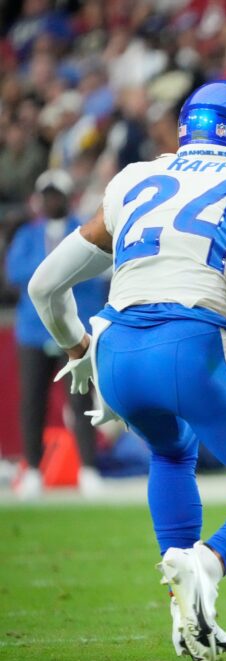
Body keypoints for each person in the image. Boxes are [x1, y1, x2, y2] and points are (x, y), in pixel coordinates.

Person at [26, 80, 226, 661]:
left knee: (171, 454)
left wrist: (76, 350)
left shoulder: (134, 178)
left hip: (115, 351)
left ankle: (184, 601)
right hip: (190, 345)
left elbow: (45, 284)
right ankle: (207, 564)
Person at [6, 169, 108, 499]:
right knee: (32, 401)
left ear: (66, 197)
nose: (51, 200)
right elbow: (15, 272)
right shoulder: (28, 235)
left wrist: (59, 267)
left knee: (82, 399)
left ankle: (88, 468)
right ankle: (33, 468)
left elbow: (98, 271)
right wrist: (57, 265)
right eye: (46, 195)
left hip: (77, 327)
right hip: (35, 331)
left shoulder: (82, 230)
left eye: (57, 194)